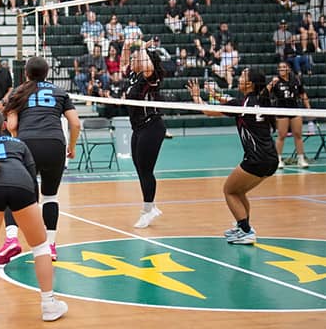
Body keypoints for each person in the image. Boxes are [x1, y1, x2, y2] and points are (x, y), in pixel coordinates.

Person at [0, 108, 68, 323]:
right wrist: (33, 209)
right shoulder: (19, 144)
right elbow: (32, 179)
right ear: (4, 125)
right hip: (22, 187)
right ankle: (49, 305)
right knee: (40, 247)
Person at [0, 56, 81, 264]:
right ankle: (50, 246)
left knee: (15, 194)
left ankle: (11, 239)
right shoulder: (60, 92)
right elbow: (75, 123)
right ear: (47, 72)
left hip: (28, 144)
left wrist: (18, 143)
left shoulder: (18, 92)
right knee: (50, 196)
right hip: (54, 145)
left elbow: (13, 125)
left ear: (26, 73)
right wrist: (71, 147)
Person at [187, 68, 279, 244]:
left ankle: (246, 231)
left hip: (256, 159)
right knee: (239, 191)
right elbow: (229, 100)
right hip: (271, 159)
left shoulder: (241, 105)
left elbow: (207, 111)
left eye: (243, 75)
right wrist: (214, 93)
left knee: (229, 191)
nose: (239, 77)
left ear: (249, 84)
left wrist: (196, 96)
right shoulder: (259, 101)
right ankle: (243, 226)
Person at [121, 41, 167, 228]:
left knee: (146, 170)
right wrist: (126, 44)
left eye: (137, 57)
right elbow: (125, 58)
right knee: (140, 169)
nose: (133, 59)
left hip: (152, 127)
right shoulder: (134, 75)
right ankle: (152, 206)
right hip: (138, 128)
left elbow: (145, 63)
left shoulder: (151, 76)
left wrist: (141, 47)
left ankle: (147, 211)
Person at [270, 62, 312, 168]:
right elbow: (265, 93)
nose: (282, 69)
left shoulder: (296, 80)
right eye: (280, 68)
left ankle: (301, 159)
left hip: (294, 109)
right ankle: (278, 159)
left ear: (288, 69)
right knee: (282, 135)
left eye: (284, 67)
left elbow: (303, 94)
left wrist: (309, 109)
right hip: (281, 111)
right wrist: (271, 84)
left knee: (298, 134)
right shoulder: (276, 81)